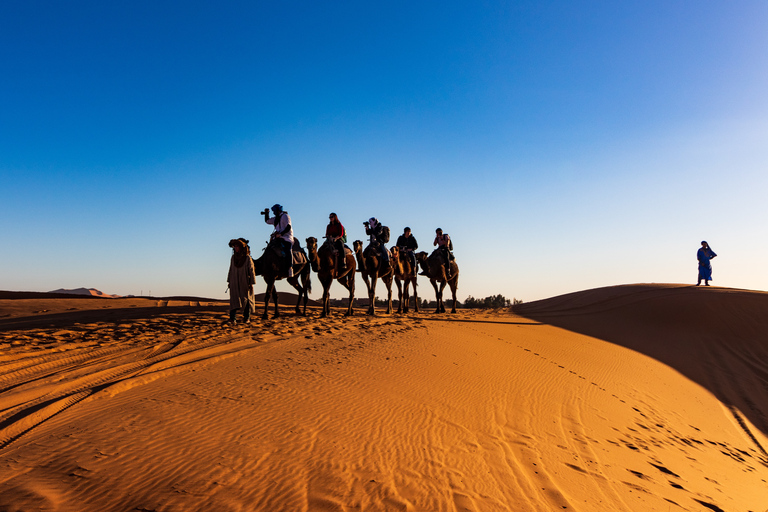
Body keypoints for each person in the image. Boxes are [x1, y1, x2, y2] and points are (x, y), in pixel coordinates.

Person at [227, 238, 256, 323]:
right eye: (235, 246)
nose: (236, 248)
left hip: (245, 281)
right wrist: (229, 281)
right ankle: (232, 318)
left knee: (246, 299)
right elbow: (231, 269)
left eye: (237, 246)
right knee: (234, 299)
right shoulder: (233, 258)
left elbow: (251, 271)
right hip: (234, 281)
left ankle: (247, 318)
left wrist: (251, 283)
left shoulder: (247, 258)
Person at [263, 204, 295, 277]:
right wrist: (266, 213)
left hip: (287, 237)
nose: (273, 212)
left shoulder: (285, 216)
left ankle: (290, 268)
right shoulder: (275, 219)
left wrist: (280, 234)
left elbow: (288, 227)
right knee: (269, 248)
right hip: (277, 238)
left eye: (274, 211)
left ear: (278, 211)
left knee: (288, 250)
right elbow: (267, 221)